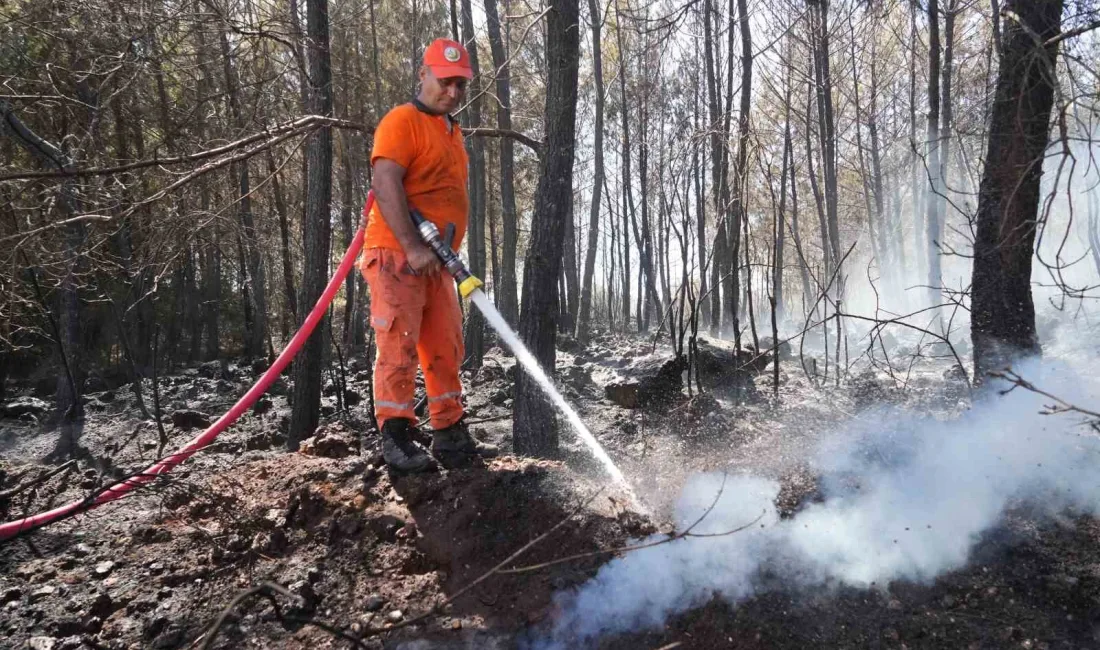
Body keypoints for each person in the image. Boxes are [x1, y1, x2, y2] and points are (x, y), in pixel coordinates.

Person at [360, 38, 498, 472]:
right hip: (398, 256)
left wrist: (436, 254)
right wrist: (414, 246)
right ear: (423, 75)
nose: (453, 92)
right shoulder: (401, 122)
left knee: (445, 347)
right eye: (445, 81)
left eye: (460, 84)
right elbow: (385, 182)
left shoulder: (451, 130)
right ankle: (396, 437)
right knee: (399, 344)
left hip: (437, 262)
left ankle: (450, 434)